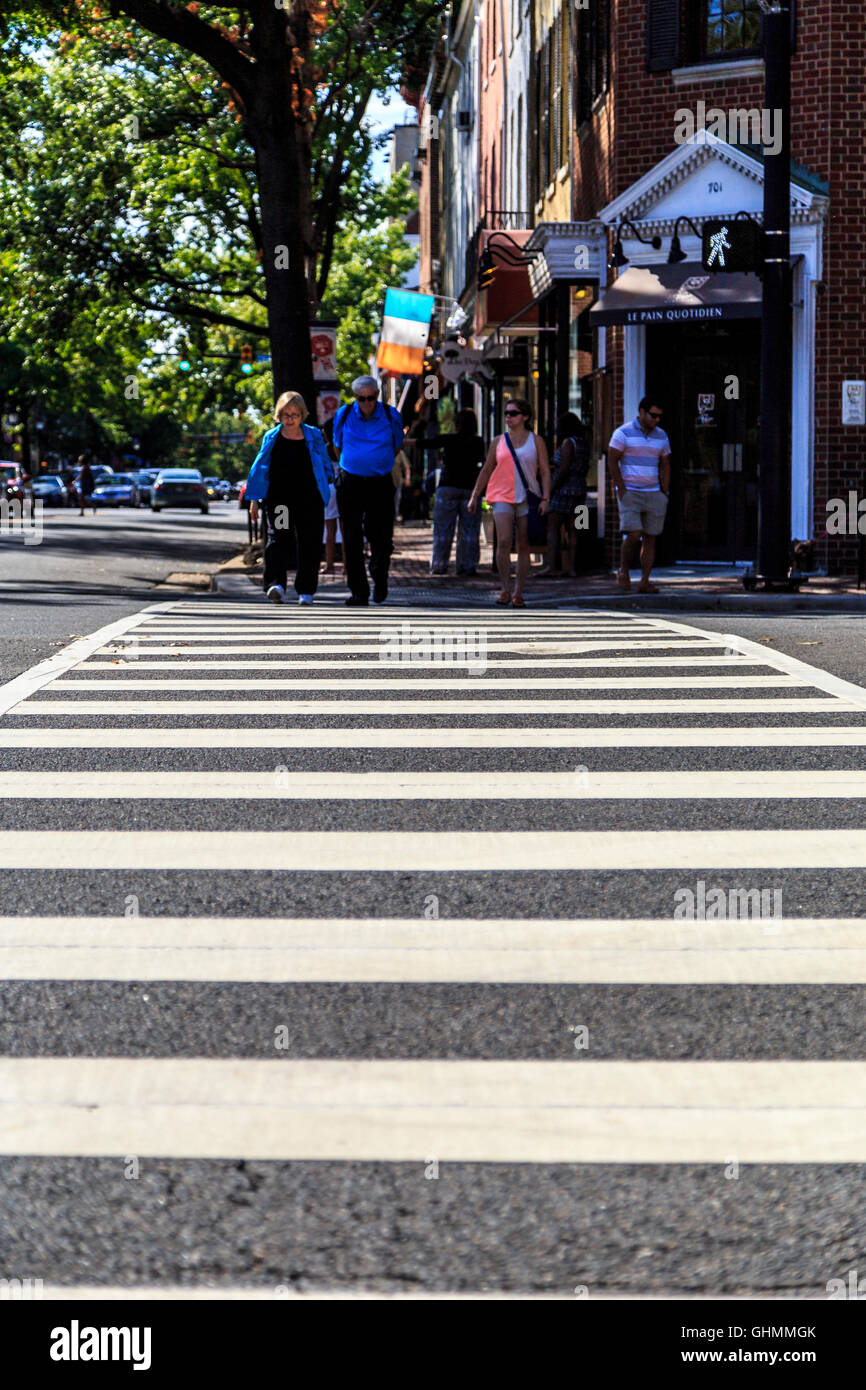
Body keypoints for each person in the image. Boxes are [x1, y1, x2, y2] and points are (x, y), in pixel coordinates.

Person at [244, 390, 334, 606]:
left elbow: (324, 465)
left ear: (302, 414)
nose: (290, 419)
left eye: (295, 414)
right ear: (279, 415)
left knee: (309, 543)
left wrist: (328, 486)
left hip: (309, 500)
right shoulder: (272, 437)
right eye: (286, 414)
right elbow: (260, 468)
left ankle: (306, 590)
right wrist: (255, 499)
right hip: (280, 500)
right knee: (278, 538)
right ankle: (276, 585)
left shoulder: (313, 435)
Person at [467, 398, 550, 607]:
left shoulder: (536, 441)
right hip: (501, 494)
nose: (508, 417)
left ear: (525, 417)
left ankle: (518, 591)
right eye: (506, 413)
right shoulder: (498, 441)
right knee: (503, 541)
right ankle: (504, 588)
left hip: (527, 496)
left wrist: (546, 497)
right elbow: (487, 469)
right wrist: (475, 496)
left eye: (513, 413)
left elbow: (546, 470)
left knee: (523, 543)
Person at [332, 376, 404, 606]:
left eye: (371, 398)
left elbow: (397, 444)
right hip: (350, 481)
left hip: (380, 482)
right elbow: (336, 444)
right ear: (355, 398)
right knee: (351, 537)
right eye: (362, 399)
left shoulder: (390, 414)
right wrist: (352, 464)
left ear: (377, 396)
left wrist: (377, 463)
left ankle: (379, 576)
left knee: (381, 537)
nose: (367, 404)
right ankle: (358, 591)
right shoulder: (344, 414)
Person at [406, 409, 486, 575]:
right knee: (470, 530)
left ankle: (439, 564)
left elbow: (424, 443)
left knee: (443, 529)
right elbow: (483, 464)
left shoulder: (449, 439)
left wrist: (402, 442)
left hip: (448, 486)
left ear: (457, 423)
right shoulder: (478, 442)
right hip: (470, 488)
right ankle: (467, 565)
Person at [608, 395, 671, 594]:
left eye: (659, 416)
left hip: (654, 492)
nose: (656, 420)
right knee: (634, 534)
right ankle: (624, 570)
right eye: (653, 415)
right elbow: (612, 461)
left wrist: (664, 491)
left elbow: (665, 463)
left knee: (651, 537)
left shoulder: (661, 435)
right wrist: (622, 488)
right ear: (642, 412)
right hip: (631, 492)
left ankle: (645, 581)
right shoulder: (622, 433)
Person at [539, 413, 590, 578]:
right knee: (576, 529)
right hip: (581, 489)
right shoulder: (584, 443)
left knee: (553, 527)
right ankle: (573, 568)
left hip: (564, 490)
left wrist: (551, 489)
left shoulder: (568, 443)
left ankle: (552, 567)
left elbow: (564, 469)